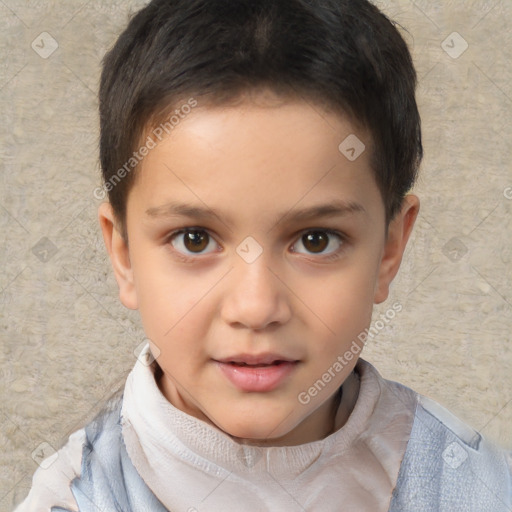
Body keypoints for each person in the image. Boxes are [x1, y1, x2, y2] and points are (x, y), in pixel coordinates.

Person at [15, 0, 512, 510]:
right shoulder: (78, 497)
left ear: (389, 249)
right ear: (123, 256)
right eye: (195, 239)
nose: (255, 308)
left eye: (316, 240)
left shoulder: (481, 486)